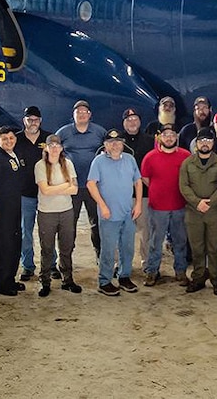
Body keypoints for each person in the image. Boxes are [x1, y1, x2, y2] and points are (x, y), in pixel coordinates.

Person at [88, 129, 143, 296]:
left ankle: (124, 276)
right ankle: (104, 281)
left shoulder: (129, 159)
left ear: (123, 144)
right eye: (111, 143)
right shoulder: (99, 161)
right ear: (105, 145)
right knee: (108, 249)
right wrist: (102, 206)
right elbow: (91, 184)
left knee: (127, 247)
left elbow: (138, 181)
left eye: (118, 142)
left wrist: (138, 204)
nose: (115, 145)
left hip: (128, 212)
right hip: (109, 214)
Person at [140, 121, 191, 287]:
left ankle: (181, 271)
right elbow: (146, 179)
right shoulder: (150, 157)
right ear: (159, 137)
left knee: (180, 241)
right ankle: (152, 271)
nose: (169, 138)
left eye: (172, 135)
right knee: (155, 241)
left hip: (180, 206)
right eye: (165, 135)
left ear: (176, 137)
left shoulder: (185, 156)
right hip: (157, 208)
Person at [57, 100, 106, 260]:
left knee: (97, 223)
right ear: (73, 115)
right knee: (69, 226)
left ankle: (100, 255)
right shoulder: (63, 133)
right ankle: (65, 259)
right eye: (78, 112)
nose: (82, 114)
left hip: (95, 186)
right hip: (72, 187)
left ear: (90, 115)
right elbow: (51, 152)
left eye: (85, 111)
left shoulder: (99, 132)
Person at [179, 129, 217, 294]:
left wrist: (210, 203)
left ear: (213, 143)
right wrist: (197, 202)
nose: (205, 143)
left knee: (215, 248)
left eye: (208, 140)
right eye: (201, 140)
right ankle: (198, 277)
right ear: (196, 143)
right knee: (197, 248)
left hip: (215, 212)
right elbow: (183, 186)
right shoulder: (187, 163)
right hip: (193, 212)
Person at [0, 126, 28, 296]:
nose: (9, 141)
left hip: (13, 209)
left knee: (13, 245)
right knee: (3, 246)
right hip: (0, 211)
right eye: (5, 139)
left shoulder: (12, 155)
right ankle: (2, 284)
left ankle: (10, 278)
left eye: (11, 138)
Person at [36, 134, 81, 296]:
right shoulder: (40, 166)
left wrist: (55, 187)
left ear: (62, 148)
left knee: (66, 248)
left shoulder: (68, 164)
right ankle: (45, 281)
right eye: (51, 145)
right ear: (46, 148)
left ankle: (67, 280)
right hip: (47, 213)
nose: (55, 148)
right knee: (47, 249)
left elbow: (75, 189)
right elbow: (44, 191)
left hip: (66, 212)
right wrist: (65, 185)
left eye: (57, 145)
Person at [14, 105, 47, 282]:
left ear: (40, 121)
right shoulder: (16, 139)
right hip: (24, 194)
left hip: (46, 194)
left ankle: (51, 264)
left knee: (47, 231)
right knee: (25, 231)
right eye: (29, 120)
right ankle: (27, 265)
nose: (33, 123)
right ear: (24, 121)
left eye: (36, 120)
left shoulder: (48, 138)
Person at [118, 107, 151, 271]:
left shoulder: (150, 140)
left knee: (146, 231)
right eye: (128, 120)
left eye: (135, 119)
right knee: (123, 231)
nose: (132, 122)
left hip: (144, 195)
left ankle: (147, 263)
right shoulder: (117, 142)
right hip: (122, 196)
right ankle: (122, 264)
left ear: (140, 121)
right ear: (124, 123)